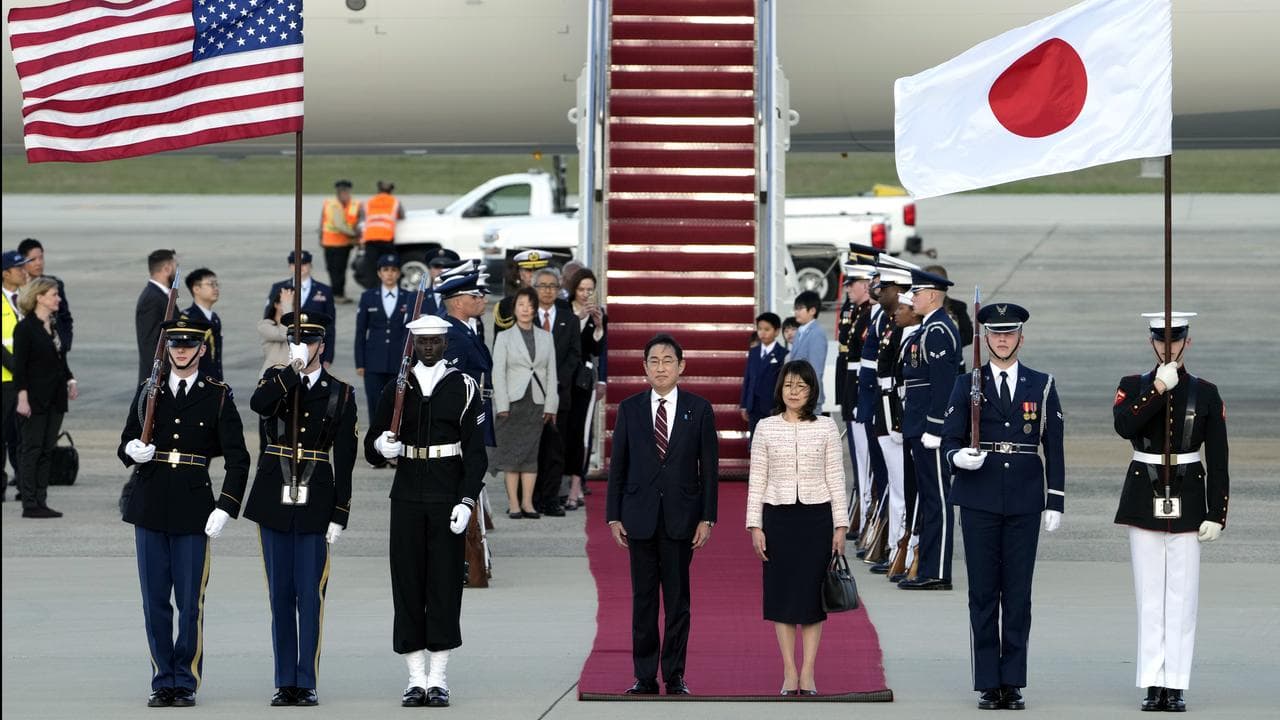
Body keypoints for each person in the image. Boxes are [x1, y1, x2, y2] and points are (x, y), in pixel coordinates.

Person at [118, 317, 250, 708]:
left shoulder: (218, 395)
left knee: (190, 601)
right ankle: (163, 678)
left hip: (195, 506)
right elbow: (126, 438)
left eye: (189, 345)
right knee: (154, 599)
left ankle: (186, 679)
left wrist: (226, 505)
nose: (180, 351)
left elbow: (239, 460)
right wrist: (131, 451)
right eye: (175, 344)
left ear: (202, 350)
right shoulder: (149, 390)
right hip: (150, 502)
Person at [942, 303, 1064, 710]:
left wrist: (1055, 500)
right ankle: (987, 682)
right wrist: (958, 457)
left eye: (1009, 334)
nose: (1002, 340)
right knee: (982, 593)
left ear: (1021, 338)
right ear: (987, 339)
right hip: (979, 497)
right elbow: (949, 439)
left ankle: (1012, 681)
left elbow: (1055, 446)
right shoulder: (967, 384)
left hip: (1026, 498)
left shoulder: (1041, 385)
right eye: (995, 334)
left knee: (1017, 594)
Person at [365, 314, 487, 709]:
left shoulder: (464, 386)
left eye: (436, 341)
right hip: (406, 497)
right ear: (413, 345)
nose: (429, 348)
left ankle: (439, 678)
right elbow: (371, 442)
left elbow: (477, 456)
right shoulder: (397, 388)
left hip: (447, 494)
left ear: (446, 343)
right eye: (423, 342)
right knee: (408, 586)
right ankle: (415, 679)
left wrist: (467, 501)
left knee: (445, 586)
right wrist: (381, 447)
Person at [1113, 311, 1227, 713]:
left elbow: (1219, 458)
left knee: (1182, 597)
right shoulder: (1133, 386)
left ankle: (1175, 683)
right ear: (1151, 343)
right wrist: (1159, 388)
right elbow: (1125, 427)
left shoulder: (1206, 392)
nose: (1168, 347)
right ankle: (1151, 681)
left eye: (1175, 340)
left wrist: (1217, 513)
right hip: (1145, 494)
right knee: (1149, 596)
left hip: (1189, 497)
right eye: (1161, 341)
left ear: (1187, 343)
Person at [245, 311, 357, 707]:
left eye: (309, 342)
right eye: (297, 342)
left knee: (309, 594)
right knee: (280, 594)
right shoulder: (275, 382)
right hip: (275, 494)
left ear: (322, 346)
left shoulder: (340, 392)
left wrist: (341, 511)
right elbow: (260, 405)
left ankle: (305, 680)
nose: (304, 348)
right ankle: (283, 680)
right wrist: (290, 372)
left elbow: (345, 455)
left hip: (316, 498)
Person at [606, 333, 718, 696]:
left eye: (668, 360)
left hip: (680, 518)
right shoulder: (630, 408)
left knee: (677, 602)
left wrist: (707, 517)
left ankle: (674, 675)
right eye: (653, 361)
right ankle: (643, 675)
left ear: (681, 366)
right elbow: (618, 465)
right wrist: (613, 515)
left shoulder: (698, 409)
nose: (661, 367)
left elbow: (710, 469)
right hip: (638, 516)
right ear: (644, 367)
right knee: (643, 601)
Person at [746, 359, 848, 696]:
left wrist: (840, 526)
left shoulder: (826, 428)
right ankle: (789, 670)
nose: (794, 392)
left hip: (816, 517)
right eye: (789, 385)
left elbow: (836, 476)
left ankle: (808, 672)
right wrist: (754, 525)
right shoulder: (765, 427)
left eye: (801, 386)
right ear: (780, 389)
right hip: (778, 518)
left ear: (811, 391)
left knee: (812, 599)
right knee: (782, 597)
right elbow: (757, 478)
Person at [897, 268, 960, 590]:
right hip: (918, 426)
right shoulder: (929, 329)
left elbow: (943, 385)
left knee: (938, 500)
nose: (913, 298)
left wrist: (937, 428)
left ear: (933, 295)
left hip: (929, 430)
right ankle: (928, 568)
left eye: (917, 293)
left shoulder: (938, 330)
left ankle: (937, 572)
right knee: (929, 498)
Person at [13, 276, 76, 518]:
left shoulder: (53, 325)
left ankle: (41, 499)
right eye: (53, 294)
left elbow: (60, 359)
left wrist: (70, 379)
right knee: (32, 449)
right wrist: (22, 397)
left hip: (56, 397)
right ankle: (30, 503)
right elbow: (20, 367)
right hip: (34, 398)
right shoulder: (25, 328)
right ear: (39, 297)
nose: (58, 299)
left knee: (47, 449)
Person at [492, 287, 558, 518]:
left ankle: (528, 503)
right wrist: (502, 404)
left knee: (531, 454)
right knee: (512, 454)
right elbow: (497, 373)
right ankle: (514, 504)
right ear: (514, 308)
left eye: (530, 305)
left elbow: (552, 373)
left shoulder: (546, 337)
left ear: (535, 309)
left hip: (537, 402)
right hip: (512, 401)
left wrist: (551, 405)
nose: (526, 309)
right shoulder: (504, 336)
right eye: (521, 305)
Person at [532, 266, 582, 516]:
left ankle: (551, 499)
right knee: (532, 449)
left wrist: (554, 382)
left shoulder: (569, 319)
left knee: (555, 449)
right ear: (535, 289)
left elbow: (574, 356)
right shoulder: (526, 317)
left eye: (553, 286)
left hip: (560, 395)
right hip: (530, 396)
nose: (548, 290)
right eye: (543, 286)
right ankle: (531, 499)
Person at [837, 251, 878, 538]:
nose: (849, 288)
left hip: (864, 395)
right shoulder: (855, 312)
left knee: (867, 463)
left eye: (854, 282)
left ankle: (867, 517)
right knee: (860, 462)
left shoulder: (871, 315)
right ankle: (862, 515)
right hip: (852, 393)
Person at [438, 261, 496, 448]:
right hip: (465, 417)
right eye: (474, 296)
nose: (483, 300)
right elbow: (451, 385)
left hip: (475, 410)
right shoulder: (453, 335)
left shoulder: (465, 330)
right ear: (458, 303)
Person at [355, 253, 418, 422]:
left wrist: (411, 361)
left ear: (399, 274)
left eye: (393, 270)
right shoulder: (368, 297)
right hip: (374, 361)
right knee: (375, 405)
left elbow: (413, 332)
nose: (389, 274)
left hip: (399, 360)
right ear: (379, 273)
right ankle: (375, 445)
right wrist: (360, 362)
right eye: (385, 270)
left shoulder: (409, 297)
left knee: (398, 405)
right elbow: (361, 331)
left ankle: (395, 442)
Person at [565, 267, 605, 509]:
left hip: (584, 379)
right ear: (574, 289)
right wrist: (578, 319)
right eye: (582, 289)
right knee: (564, 431)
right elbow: (560, 342)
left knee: (581, 432)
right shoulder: (563, 310)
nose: (586, 294)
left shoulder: (599, 313)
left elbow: (596, 350)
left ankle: (575, 488)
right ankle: (560, 484)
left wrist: (598, 327)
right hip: (562, 379)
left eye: (590, 290)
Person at [266, 251, 336, 368]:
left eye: (304, 264)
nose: (299, 267)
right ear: (289, 266)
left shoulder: (324, 291)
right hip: (285, 351)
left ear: (310, 266)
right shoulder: (278, 288)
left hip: (314, 350)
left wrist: (328, 357)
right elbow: (269, 317)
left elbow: (330, 327)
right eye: (295, 264)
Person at [2, 250, 30, 502]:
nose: (24, 271)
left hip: (22, 381)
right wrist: (20, 370)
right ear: (5, 273)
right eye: (19, 268)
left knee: (20, 437)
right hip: (5, 380)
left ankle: (24, 484)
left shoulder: (26, 298)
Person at [17, 238, 73, 351]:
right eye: (32, 259)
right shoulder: (14, 287)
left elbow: (65, 317)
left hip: (54, 348)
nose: (39, 263)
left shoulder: (54, 284)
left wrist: (65, 343)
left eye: (41, 258)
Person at [739, 312, 787, 441]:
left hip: (772, 405)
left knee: (771, 439)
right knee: (755, 440)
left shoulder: (782, 353)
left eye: (767, 329)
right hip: (753, 405)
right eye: (759, 329)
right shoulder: (753, 352)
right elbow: (748, 378)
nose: (762, 333)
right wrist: (744, 404)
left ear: (776, 331)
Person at [136, 249, 177, 383]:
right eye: (175, 266)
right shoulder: (152, 299)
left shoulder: (162, 296)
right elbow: (151, 346)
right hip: (159, 383)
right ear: (167, 269)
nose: (176, 272)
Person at [356, 180, 405, 289]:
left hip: (370, 239)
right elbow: (402, 215)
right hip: (386, 238)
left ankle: (372, 290)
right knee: (391, 265)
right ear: (391, 191)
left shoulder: (369, 202)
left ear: (378, 190)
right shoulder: (394, 201)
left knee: (371, 268)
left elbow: (361, 221)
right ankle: (391, 288)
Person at [925, 264, 974, 373]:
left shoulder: (958, 307)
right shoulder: (920, 308)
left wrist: (947, 344)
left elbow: (968, 335)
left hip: (954, 364)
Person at [319, 179, 360, 304]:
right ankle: (337, 293)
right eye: (341, 191)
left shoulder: (355, 204)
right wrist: (321, 237)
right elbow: (329, 223)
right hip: (330, 243)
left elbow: (358, 221)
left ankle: (338, 293)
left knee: (339, 270)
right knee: (332, 269)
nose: (343, 193)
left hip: (344, 244)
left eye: (345, 191)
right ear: (337, 192)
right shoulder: (331, 204)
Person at [492, 249, 551, 335]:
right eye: (528, 270)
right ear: (520, 273)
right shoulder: (506, 305)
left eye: (538, 270)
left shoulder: (560, 305)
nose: (533, 274)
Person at [179, 268, 224, 380]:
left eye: (216, 284)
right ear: (196, 289)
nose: (216, 288)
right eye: (211, 284)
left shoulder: (214, 318)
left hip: (213, 381)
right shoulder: (187, 319)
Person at [788, 290, 828, 409]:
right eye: (795, 308)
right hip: (797, 395)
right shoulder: (801, 331)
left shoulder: (817, 333)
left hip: (809, 396)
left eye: (800, 308)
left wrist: (808, 396)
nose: (796, 312)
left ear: (812, 311)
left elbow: (816, 369)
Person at [257, 285, 296, 376]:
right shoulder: (264, 325)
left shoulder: (297, 327)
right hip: (272, 375)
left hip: (292, 374)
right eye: (286, 303)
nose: (291, 307)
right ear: (276, 304)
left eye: (293, 304)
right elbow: (283, 335)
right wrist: (287, 306)